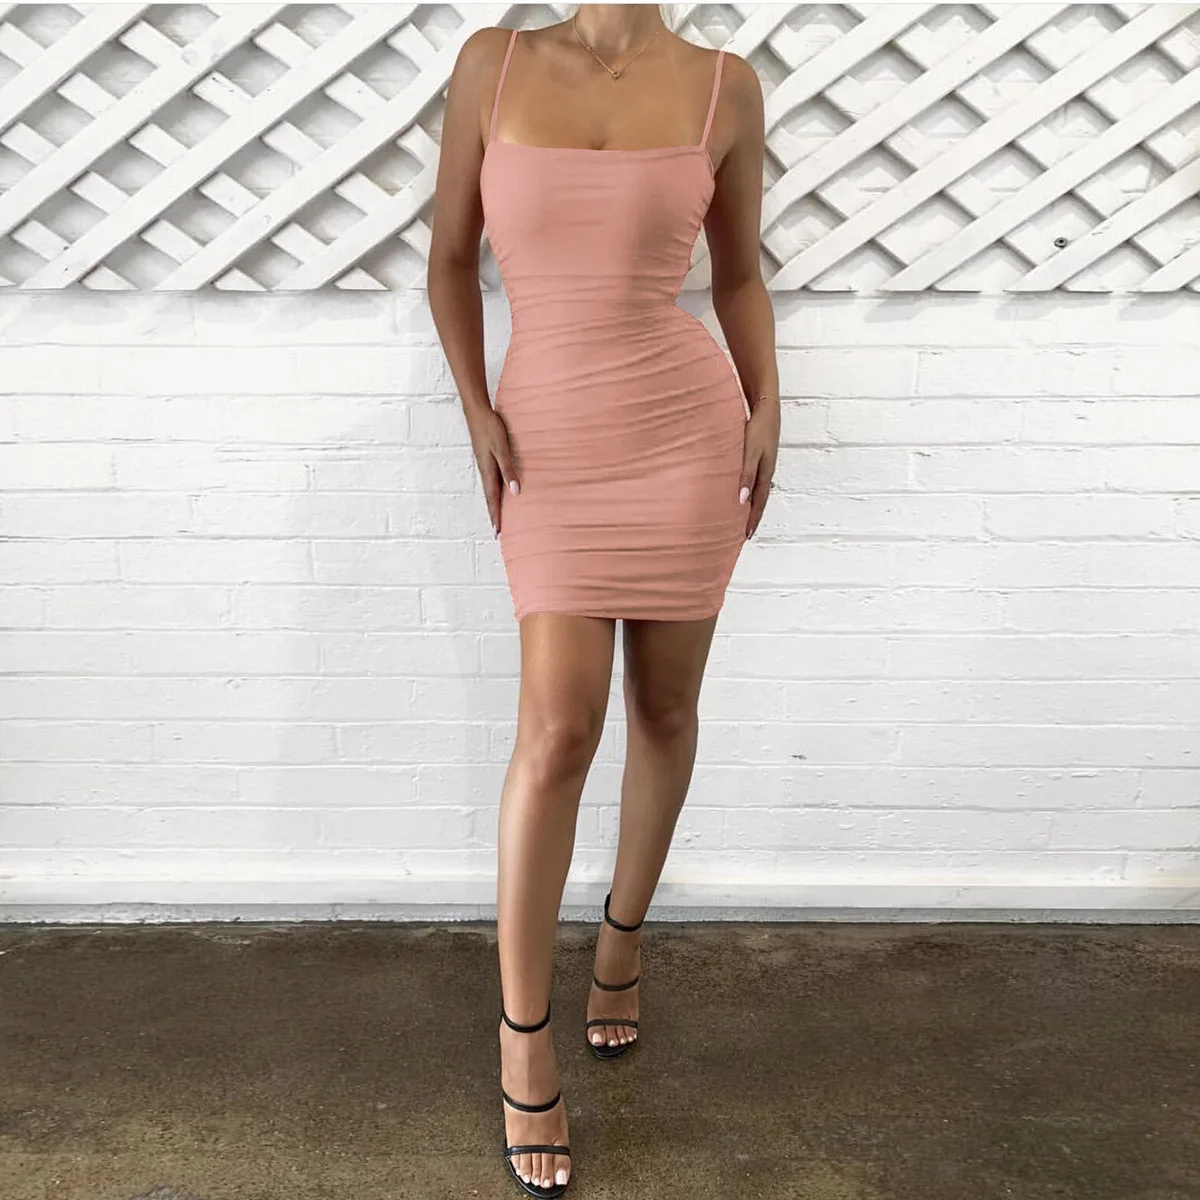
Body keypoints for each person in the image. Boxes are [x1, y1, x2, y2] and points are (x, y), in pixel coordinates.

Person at [427, 5, 779, 1195]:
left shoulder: (726, 84)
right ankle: (523, 1037)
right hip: (550, 438)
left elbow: (738, 275)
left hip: (684, 432)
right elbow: (448, 261)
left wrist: (768, 401)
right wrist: (475, 409)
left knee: (665, 712)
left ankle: (621, 941)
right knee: (558, 728)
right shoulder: (495, 62)